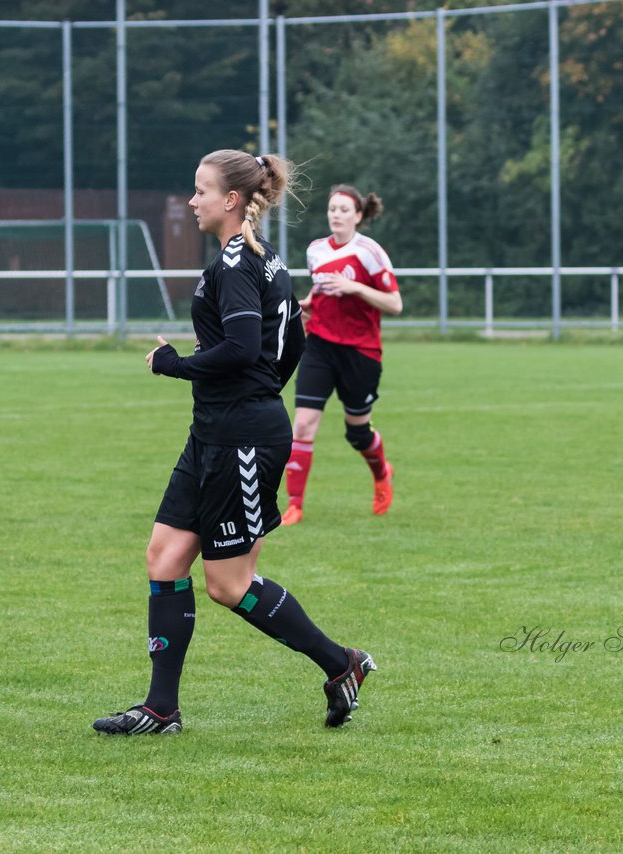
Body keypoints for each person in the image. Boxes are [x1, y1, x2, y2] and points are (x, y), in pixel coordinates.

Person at [92, 150, 377, 736]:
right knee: (164, 558)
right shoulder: (258, 257)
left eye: (200, 190)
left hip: (242, 439)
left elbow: (246, 348)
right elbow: (294, 337)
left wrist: (177, 365)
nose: (191, 200)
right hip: (215, 432)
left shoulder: (237, 264)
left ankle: (341, 662)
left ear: (230, 200)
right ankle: (161, 709)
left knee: (229, 583)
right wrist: (264, 387)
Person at [280, 184, 403, 526]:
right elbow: (321, 292)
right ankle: (295, 504)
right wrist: (308, 306)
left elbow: (395, 304)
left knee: (357, 432)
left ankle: (382, 473)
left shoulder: (370, 252)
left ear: (359, 216)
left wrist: (356, 288)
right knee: (302, 424)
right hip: (318, 345)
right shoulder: (316, 250)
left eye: (344, 210)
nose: (337, 214)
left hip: (360, 351)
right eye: (332, 209)